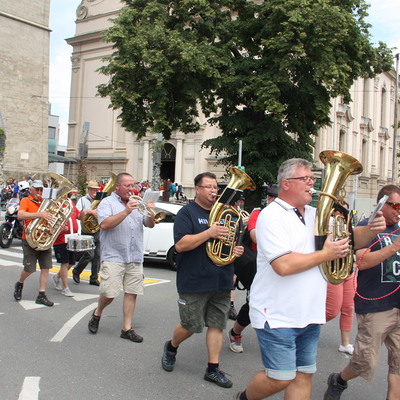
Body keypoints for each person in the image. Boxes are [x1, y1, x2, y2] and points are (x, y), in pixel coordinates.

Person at [235, 158, 386, 400]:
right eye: (306, 179)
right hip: (276, 314)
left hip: (310, 312)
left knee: (304, 375)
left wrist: (371, 230)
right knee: (280, 378)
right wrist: (325, 254)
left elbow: (350, 238)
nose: (312, 183)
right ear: (286, 183)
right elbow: (283, 265)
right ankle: (244, 397)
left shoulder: (318, 213)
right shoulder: (271, 216)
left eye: (312, 179)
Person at [161, 172, 244, 389]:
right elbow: (180, 245)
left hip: (222, 278)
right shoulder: (186, 213)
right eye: (208, 187)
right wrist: (209, 233)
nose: (213, 191)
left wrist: (235, 250)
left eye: (215, 187)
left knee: (217, 325)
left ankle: (212, 369)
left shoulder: (228, 213)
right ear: (197, 189)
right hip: (194, 280)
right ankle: (171, 347)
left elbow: (229, 242)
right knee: (191, 325)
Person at [323, 184, 400, 400]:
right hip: (376, 306)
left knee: (398, 364)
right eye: (395, 205)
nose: (398, 210)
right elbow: (362, 261)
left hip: (398, 304)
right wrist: (394, 247)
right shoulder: (368, 228)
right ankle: (339, 380)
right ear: (382, 205)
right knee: (364, 361)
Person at [87, 172, 155, 342]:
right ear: (117, 186)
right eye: (127, 186)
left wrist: (151, 212)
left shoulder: (137, 203)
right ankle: (97, 313)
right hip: (114, 255)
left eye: (133, 185)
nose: (131, 189)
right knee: (109, 293)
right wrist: (125, 211)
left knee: (132, 292)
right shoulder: (107, 203)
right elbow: (104, 224)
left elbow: (149, 224)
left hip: (134, 255)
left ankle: (127, 328)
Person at [228, 184, 278, 353]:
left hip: (280, 266)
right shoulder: (259, 213)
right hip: (258, 267)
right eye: (274, 199)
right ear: (269, 199)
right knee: (253, 304)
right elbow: (254, 235)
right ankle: (235, 332)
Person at [13, 180, 55, 306]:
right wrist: (39, 214)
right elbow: (20, 215)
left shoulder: (45, 202)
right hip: (29, 238)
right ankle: (20, 283)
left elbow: (50, 219)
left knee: (46, 268)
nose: (39, 192)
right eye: (37, 189)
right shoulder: (26, 200)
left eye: (41, 190)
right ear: (31, 190)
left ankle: (41, 294)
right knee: (29, 269)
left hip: (44, 239)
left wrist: (58, 226)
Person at [325, 201, 356, 355]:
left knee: (348, 308)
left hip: (348, 269)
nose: (341, 214)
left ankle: (345, 343)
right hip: (333, 269)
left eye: (344, 210)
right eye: (339, 210)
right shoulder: (328, 223)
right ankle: (305, 327)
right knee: (332, 310)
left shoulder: (348, 223)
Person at [72, 180, 102, 286]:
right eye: (93, 189)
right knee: (89, 254)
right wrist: (91, 211)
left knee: (98, 255)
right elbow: (79, 212)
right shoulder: (82, 200)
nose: (95, 191)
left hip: (97, 229)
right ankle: (76, 271)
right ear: (89, 190)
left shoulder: (100, 199)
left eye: (96, 190)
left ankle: (94, 277)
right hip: (86, 230)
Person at [52, 195, 80, 297]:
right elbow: (50, 221)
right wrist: (59, 227)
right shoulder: (54, 205)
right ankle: (65, 288)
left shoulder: (70, 203)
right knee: (64, 263)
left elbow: (78, 215)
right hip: (61, 239)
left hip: (72, 237)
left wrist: (86, 213)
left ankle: (57, 276)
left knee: (71, 262)